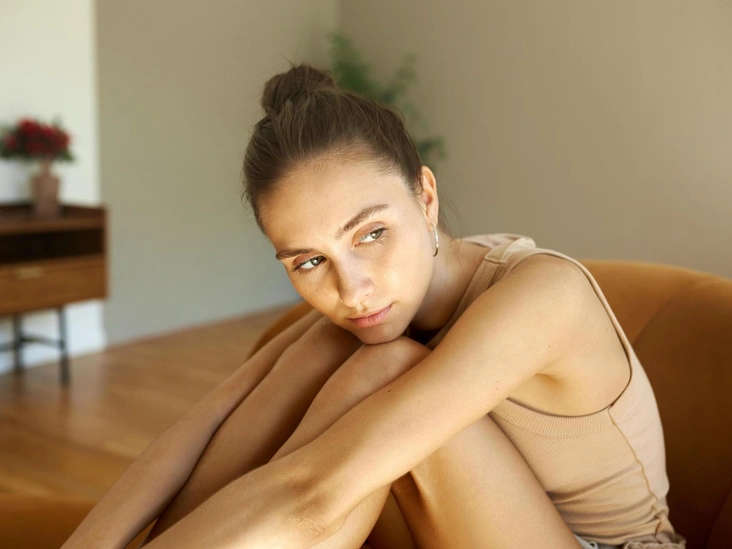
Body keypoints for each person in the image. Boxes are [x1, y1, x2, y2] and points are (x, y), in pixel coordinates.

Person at [62, 63, 688, 549]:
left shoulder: (545, 294)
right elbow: (211, 418)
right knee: (351, 354)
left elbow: (317, 495)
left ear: (425, 197)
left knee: (385, 370)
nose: (352, 288)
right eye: (309, 261)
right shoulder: (374, 311)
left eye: (371, 233)